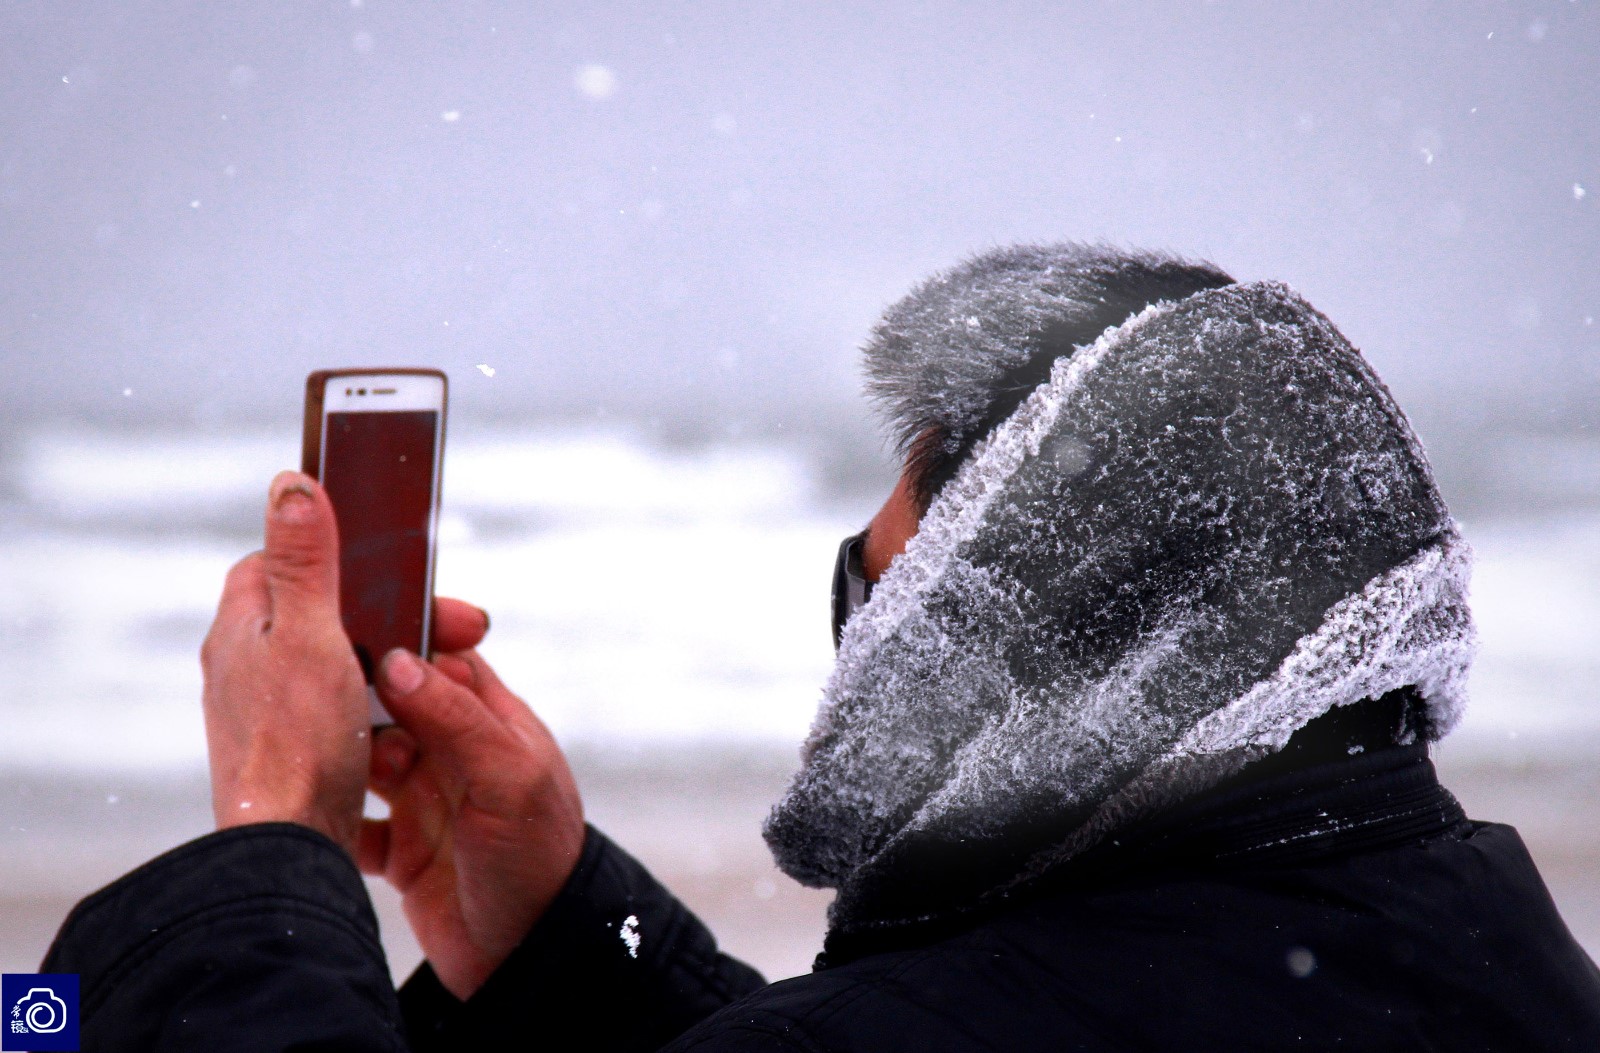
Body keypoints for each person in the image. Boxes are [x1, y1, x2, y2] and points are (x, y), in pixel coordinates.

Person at [42, 244, 1600, 1051]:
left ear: (1019, 644)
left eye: (894, 592)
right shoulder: (1497, 950)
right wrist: (564, 942)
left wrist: (267, 850)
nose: (862, 625)